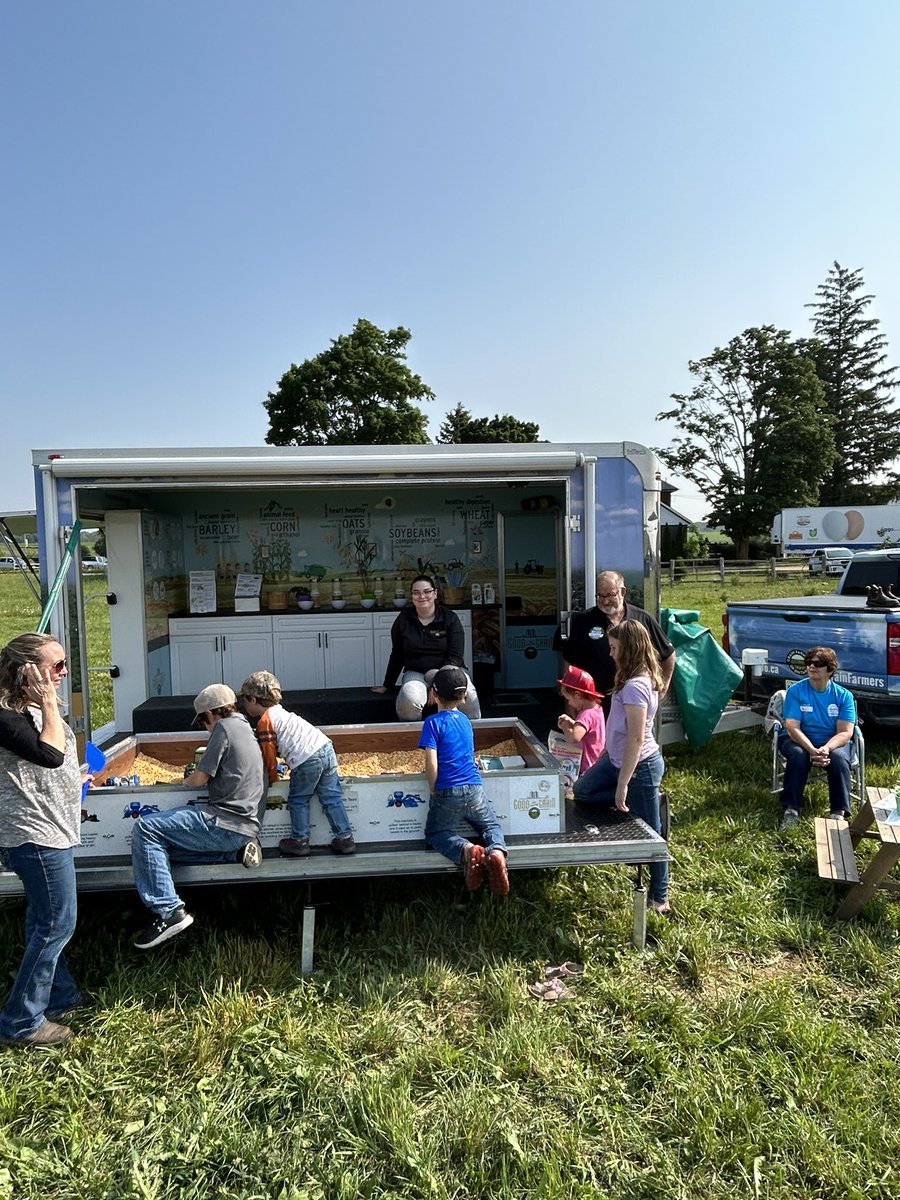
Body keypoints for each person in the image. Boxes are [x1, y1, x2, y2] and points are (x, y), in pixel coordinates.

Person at [0, 633, 89, 1047]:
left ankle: (60, 995)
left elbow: (53, 765)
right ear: (26, 672)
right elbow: (49, 754)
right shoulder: (6, 715)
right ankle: (21, 1021)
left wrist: (76, 779)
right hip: (34, 835)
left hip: (51, 829)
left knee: (44, 919)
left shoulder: (29, 709)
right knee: (57, 923)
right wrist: (50, 701)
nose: (64, 672)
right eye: (56, 666)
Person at [130, 683, 266, 950]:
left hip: (224, 821)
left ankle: (169, 911)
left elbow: (198, 779)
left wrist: (184, 779)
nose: (204, 726)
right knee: (162, 849)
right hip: (244, 827)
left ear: (213, 713)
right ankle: (236, 854)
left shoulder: (224, 728)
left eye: (203, 719)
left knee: (146, 830)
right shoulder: (244, 727)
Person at [572, 620, 669, 914]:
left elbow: (637, 738)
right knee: (582, 792)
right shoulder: (629, 679)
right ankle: (633, 802)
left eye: (614, 648)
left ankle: (660, 897)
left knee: (652, 834)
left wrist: (623, 784)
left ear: (629, 649)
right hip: (613, 759)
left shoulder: (638, 686)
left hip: (638, 766)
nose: (611, 654)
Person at [239, 670, 355, 858]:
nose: (243, 705)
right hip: (325, 746)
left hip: (306, 758)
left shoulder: (265, 722)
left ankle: (300, 840)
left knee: (298, 799)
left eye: (244, 700)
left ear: (253, 699)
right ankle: (346, 837)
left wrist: (271, 776)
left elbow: (268, 756)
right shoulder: (281, 712)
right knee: (331, 797)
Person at [418, 665, 508, 895]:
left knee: (436, 833)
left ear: (433, 694)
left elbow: (431, 761)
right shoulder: (466, 722)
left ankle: (467, 850)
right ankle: (497, 852)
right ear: (464, 696)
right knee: (490, 826)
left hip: (448, 790)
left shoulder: (432, 723)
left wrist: (433, 788)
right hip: (474, 786)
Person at [553, 570, 675, 715]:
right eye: (600, 596)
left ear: (622, 592)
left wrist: (661, 690)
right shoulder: (583, 621)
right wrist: (570, 703)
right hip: (593, 705)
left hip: (634, 703)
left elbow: (668, 655)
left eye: (610, 595)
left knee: (634, 737)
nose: (605, 601)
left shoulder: (642, 619)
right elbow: (570, 664)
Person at [372, 574, 481, 721]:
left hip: (450, 672)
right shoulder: (403, 620)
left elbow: (455, 657)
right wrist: (388, 685)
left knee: (469, 696)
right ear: (412, 596)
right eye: (416, 592)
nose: (421, 596)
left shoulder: (450, 618)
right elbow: (397, 654)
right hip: (416, 673)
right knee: (409, 701)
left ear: (435, 593)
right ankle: (414, 740)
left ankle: (473, 737)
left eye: (427, 591)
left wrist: (438, 685)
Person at [777, 646, 856, 831]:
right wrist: (812, 749)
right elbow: (792, 727)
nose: (811, 666)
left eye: (818, 664)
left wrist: (826, 749)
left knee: (838, 759)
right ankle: (791, 810)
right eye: (808, 662)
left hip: (832, 741)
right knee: (798, 755)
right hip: (799, 739)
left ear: (830, 669)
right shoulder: (796, 691)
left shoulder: (844, 696)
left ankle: (838, 814)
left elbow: (845, 732)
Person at [555, 665, 606, 771]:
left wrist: (565, 726)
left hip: (585, 767)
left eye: (569, 699)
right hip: (596, 763)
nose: (569, 703)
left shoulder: (585, 714)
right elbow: (587, 731)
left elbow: (574, 738)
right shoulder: (596, 710)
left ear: (578, 695)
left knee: (576, 788)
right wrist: (572, 722)